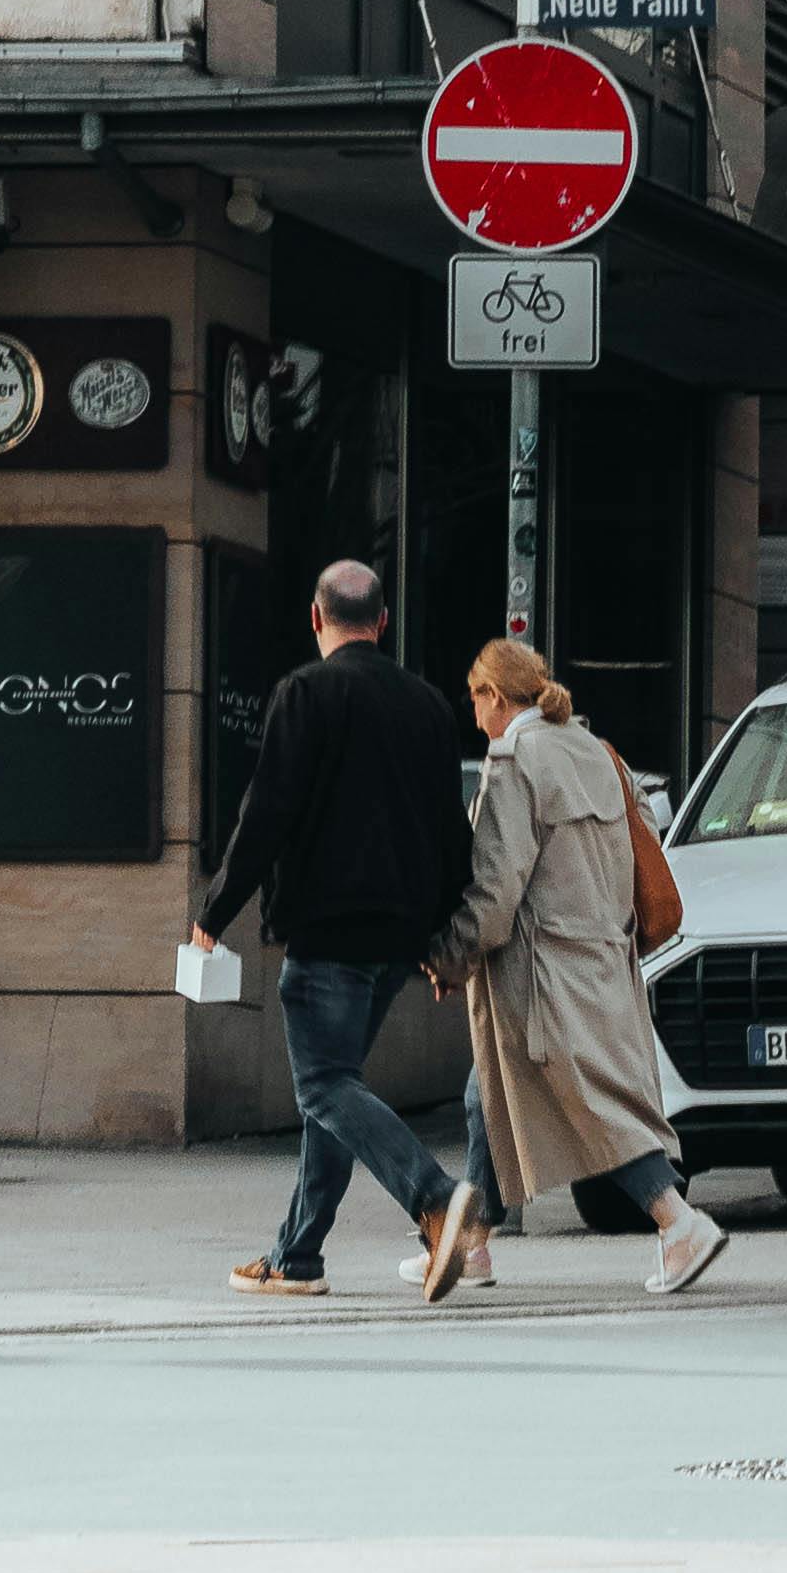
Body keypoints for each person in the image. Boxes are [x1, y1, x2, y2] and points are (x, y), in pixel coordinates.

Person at [192, 556, 475, 1303]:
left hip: (327, 931)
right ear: (382, 622)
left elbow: (265, 817)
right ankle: (297, 1256)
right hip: (401, 940)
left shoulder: (305, 693)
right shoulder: (429, 706)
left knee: (322, 1086)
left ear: (317, 618)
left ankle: (437, 1196)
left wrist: (213, 916)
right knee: (337, 1094)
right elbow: (453, 835)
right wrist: (447, 942)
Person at [439, 636, 726, 1301]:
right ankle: (472, 1245)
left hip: (542, 976)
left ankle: (677, 1222)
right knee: (486, 1093)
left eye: (476, 699)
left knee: (595, 1107)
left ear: (494, 696)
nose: (475, 714)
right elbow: (638, 851)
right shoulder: (599, 754)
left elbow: (495, 890)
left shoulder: (514, 760)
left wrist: (448, 956)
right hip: (604, 963)